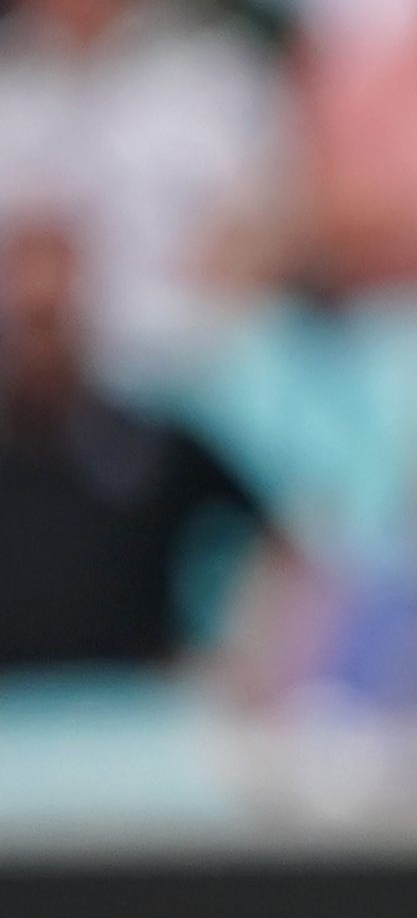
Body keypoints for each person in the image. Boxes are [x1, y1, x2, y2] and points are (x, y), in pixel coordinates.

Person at [0, 212, 267, 675]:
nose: (39, 337)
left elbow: (278, 539)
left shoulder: (153, 445)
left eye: (52, 317)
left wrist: (243, 657)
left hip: (137, 725)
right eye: (28, 319)